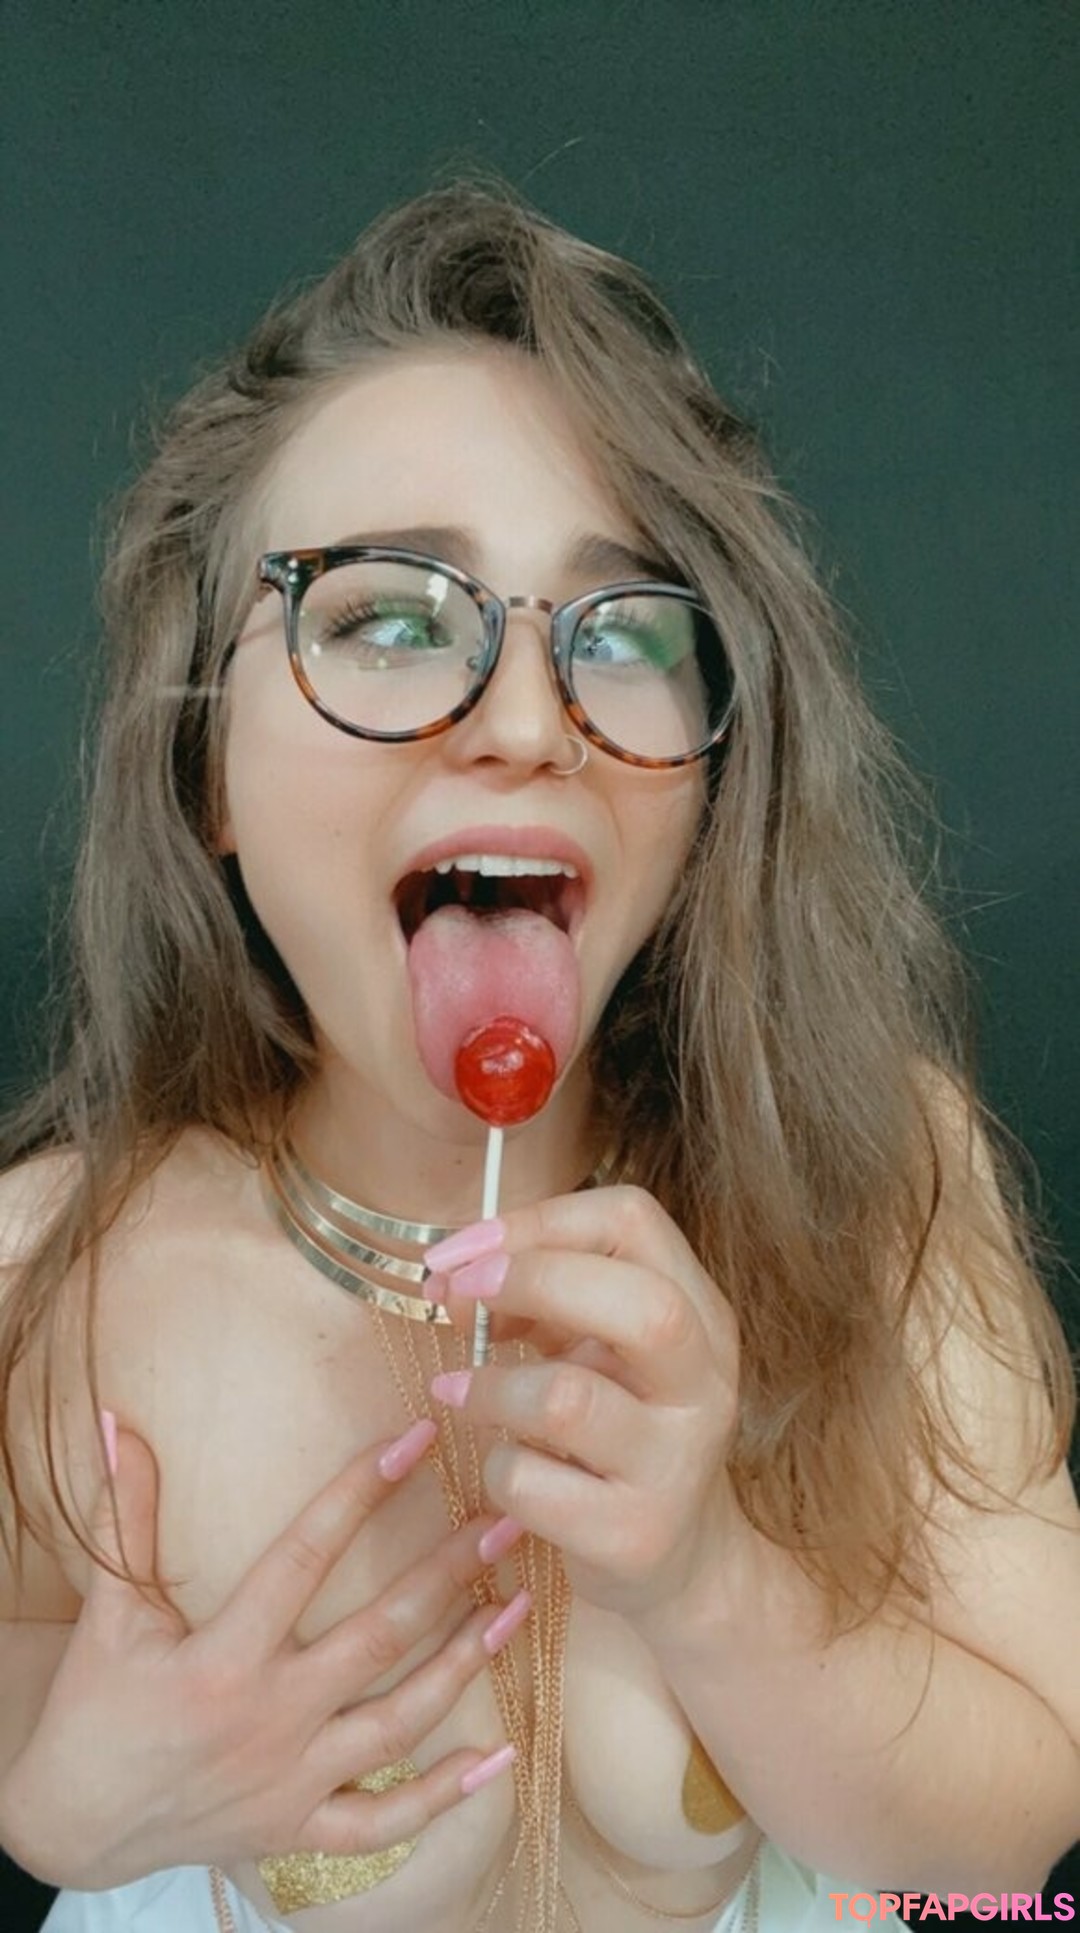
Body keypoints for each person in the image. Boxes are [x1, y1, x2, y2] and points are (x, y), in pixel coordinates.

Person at [0, 179, 1077, 1933]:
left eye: (626, 629)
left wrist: (709, 1576)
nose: (522, 718)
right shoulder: (51, 1280)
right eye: (387, 615)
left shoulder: (876, 1182)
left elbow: (1016, 1839)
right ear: (204, 770)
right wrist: (65, 1808)